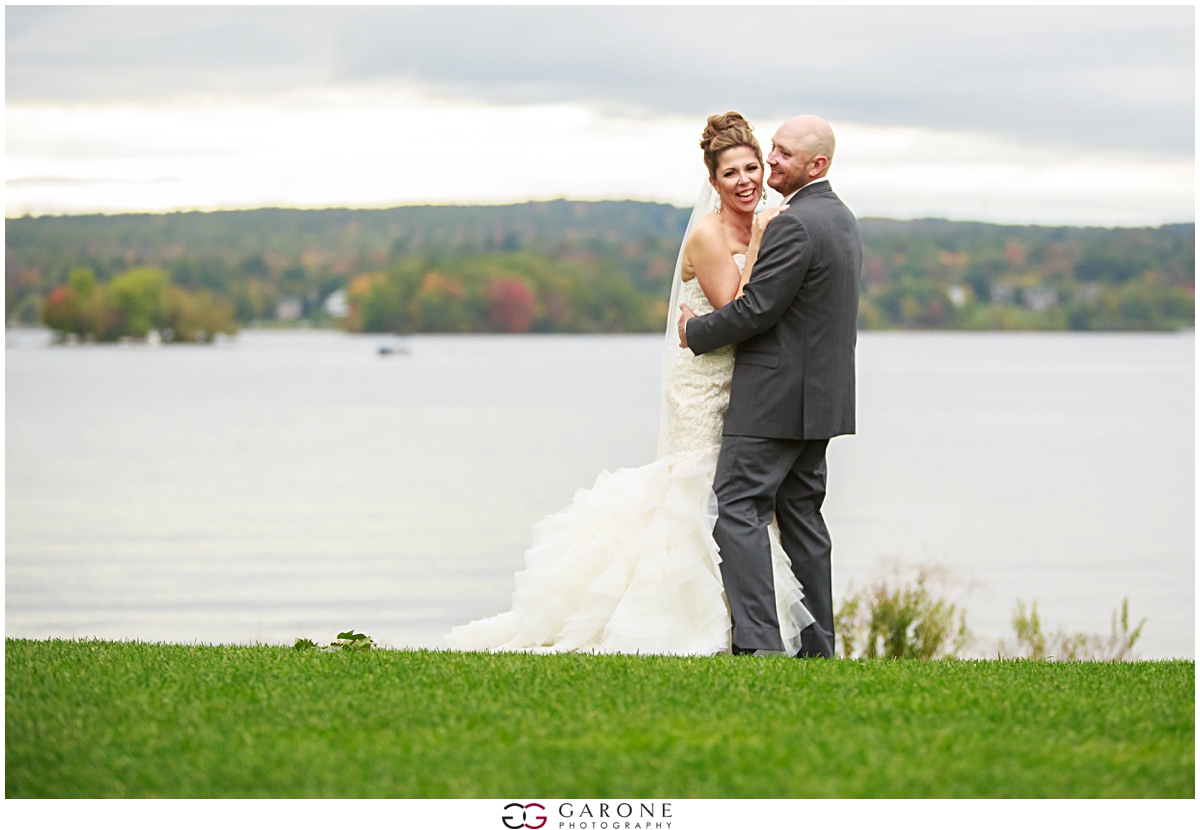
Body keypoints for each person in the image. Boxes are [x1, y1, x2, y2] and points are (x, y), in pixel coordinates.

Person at [445, 112, 813, 655]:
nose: (745, 181)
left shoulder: (762, 221)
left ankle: (745, 625)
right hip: (701, 384)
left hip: (742, 383)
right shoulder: (711, 235)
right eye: (730, 172)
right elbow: (739, 308)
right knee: (696, 491)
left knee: (734, 499)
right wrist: (759, 239)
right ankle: (683, 624)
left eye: (752, 168)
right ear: (712, 182)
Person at [678, 115, 862, 657]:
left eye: (780, 154)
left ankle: (758, 645)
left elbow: (755, 309)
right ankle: (817, 646)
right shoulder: (841, 218)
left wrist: (695, 332)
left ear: (816, 164)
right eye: (772, 150)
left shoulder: (791, 224)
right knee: (802, 517)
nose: (771, 161)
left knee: (737, 504)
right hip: (820, 402)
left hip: (774, 398)